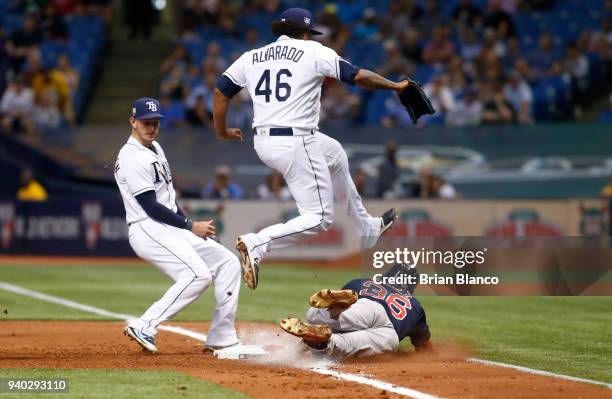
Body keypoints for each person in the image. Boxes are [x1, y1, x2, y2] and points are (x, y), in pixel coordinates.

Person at [212, 8, 403, 290]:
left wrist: (221, 131)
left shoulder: (251, 56)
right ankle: (257, 244)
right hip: (296, 140)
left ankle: (368, 227)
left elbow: (220, 92)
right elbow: (358, 76)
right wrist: (395, 86)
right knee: (320, 218)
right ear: (304, 33)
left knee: (335, 153)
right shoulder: (313, 50)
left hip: (264, 141)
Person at [114, 97, 241, 353]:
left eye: (156, 122)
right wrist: (190, 225)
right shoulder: (132, 157)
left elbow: (168, 199)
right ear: (133, 122)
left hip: (168, 226)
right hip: (148, 227)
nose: (152, 127)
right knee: (198, 275)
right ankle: (145, 324)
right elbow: (150, 206)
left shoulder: (155, 148)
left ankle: (221, 335)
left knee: (229, 263)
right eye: (146, 122)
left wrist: (187, 227)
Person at [280, 263, 432, 358]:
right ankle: (323, 343)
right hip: (388, 333)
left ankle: (330, 310)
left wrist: (298, 348)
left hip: (367, 306)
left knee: (327, 317)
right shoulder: (415, 305)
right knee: (345, 345)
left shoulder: (362, 282)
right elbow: (424, 349)